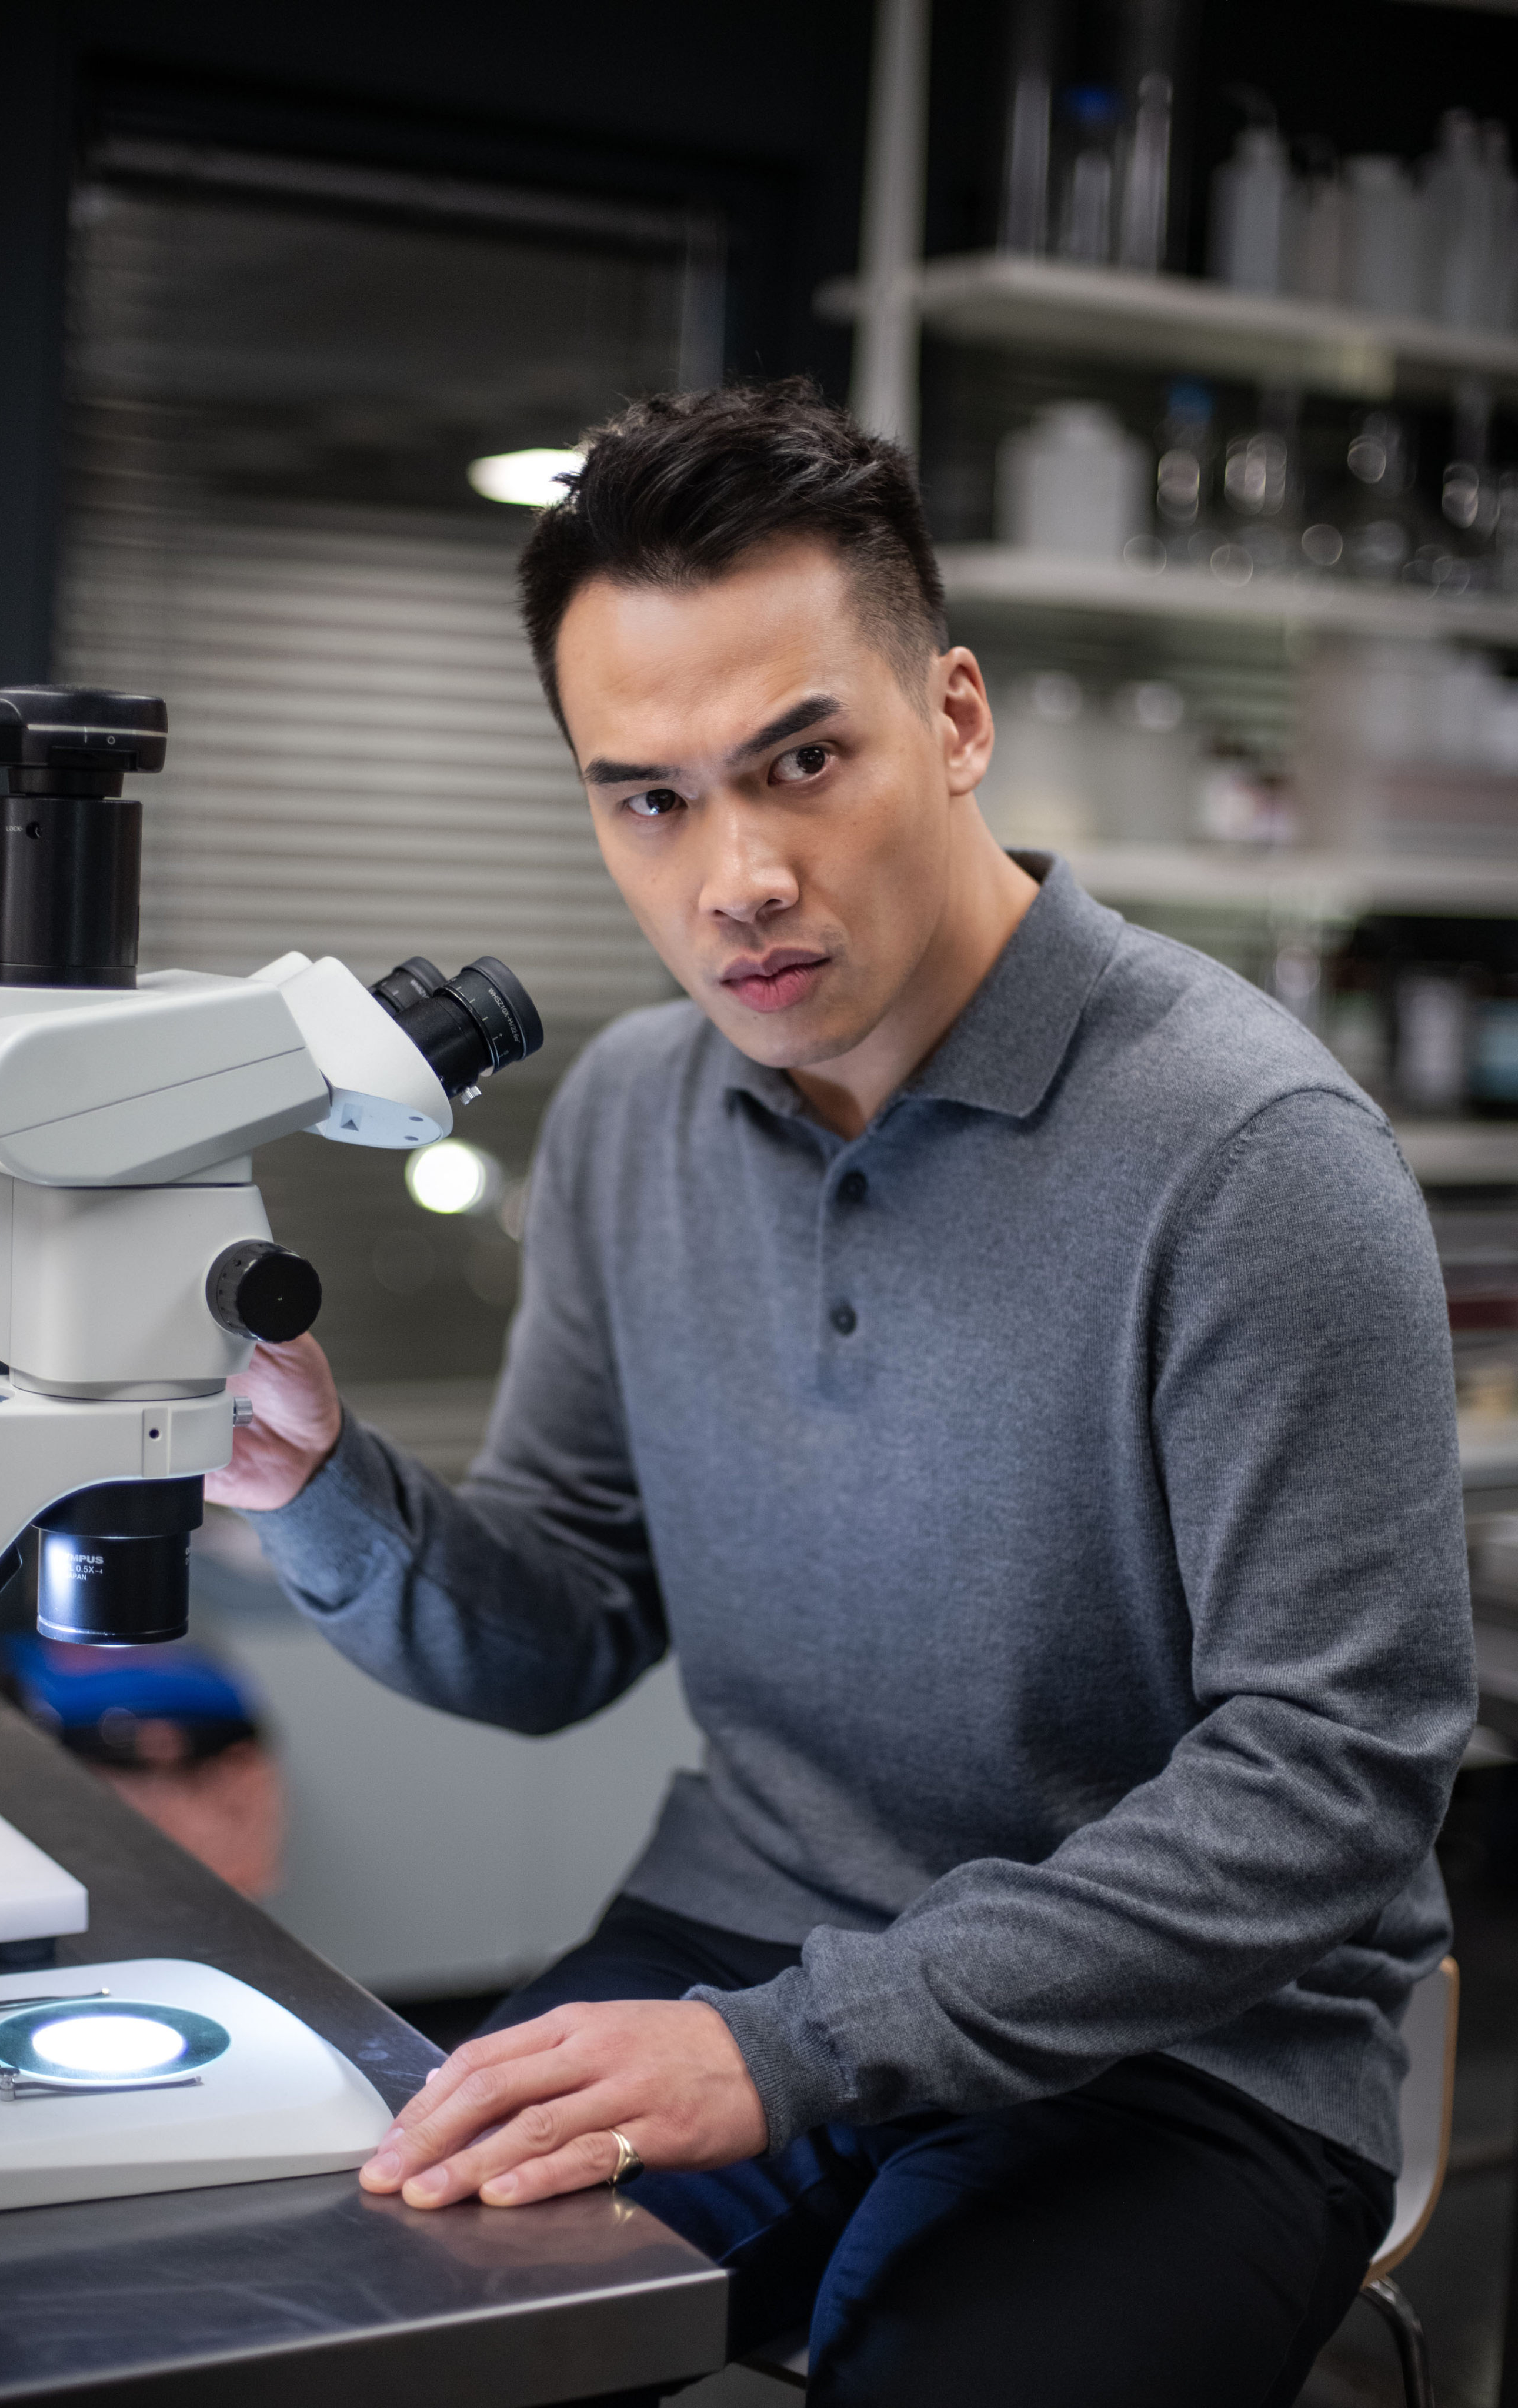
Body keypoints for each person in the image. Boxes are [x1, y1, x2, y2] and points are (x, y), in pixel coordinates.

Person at [210, 380, 1475, 2407]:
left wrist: (789, 2048)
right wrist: (327, 1493)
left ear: (955, 719)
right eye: (650, 796)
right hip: (740, 1936)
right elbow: (567, 1628)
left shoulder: (1251, 1152)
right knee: (361, 2351)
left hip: (1188, 2046)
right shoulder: (630, 1111)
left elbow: (1330, 1780)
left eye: (801, 762)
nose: (736, 876)